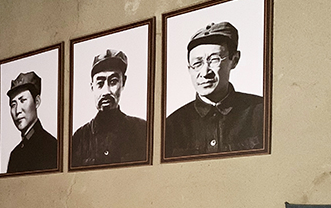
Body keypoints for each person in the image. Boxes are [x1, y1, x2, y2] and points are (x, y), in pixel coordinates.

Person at [164, 21, 265, 158]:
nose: (205, 72)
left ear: (234, 60)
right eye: (197, 63)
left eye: (214, 60)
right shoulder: (172, 125)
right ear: (189, 69)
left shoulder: (262, 112)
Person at [71, 49, 147, 168]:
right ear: (92, 86)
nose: (106, 91)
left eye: (113, 82)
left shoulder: (142, 130)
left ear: (123, 82)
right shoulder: (79, 138)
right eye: (100, 83)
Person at [5, 71, 58, 174]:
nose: (17, 111)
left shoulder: (51, 147)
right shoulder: (15, 154)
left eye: (22, 100)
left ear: (37, 102)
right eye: (13, 104)